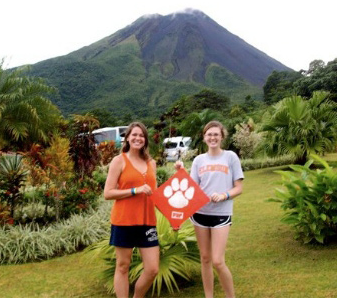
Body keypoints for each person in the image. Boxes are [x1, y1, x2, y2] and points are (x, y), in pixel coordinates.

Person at [175, 120, 243, 298]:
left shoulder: (230, 157)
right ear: (204, 137)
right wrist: (181, 171)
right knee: (205, 259)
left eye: (216, 134)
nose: (212, 137)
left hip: (221, 214)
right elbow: (190, 189)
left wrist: (224, 195)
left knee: (218, 261)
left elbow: (239, 188)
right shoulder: (199, 160)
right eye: (209, 134)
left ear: (222, 136)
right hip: (200, 214)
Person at [103, 122, 159, 298]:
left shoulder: (151, 163)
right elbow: (108, 193)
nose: (138, 138)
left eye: (141, 135)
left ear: (145, 140)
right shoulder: (119, 161)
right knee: (123, 266)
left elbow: (155, 194)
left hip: (147, 221)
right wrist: (135, 190)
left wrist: (175, 219)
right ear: (127, 138)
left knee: (152, 269)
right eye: (134, 135)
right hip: (124, 221)